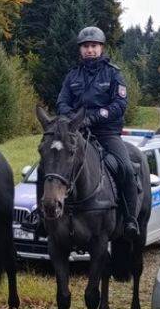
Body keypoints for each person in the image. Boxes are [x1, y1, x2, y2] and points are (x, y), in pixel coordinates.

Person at [54, 26, 139, 238]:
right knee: (49, 162)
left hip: (106, 132)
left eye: (93, 46)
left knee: (126, 168)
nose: (89, 50)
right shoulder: (72, 75)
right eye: (85, 47)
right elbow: (62, 102)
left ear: (101, 48)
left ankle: (130, 219)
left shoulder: (113, 74)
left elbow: (119, 104)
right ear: (80, 50)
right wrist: (74, 119)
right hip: (76, 131)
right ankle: (43, 216)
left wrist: (94, 118)